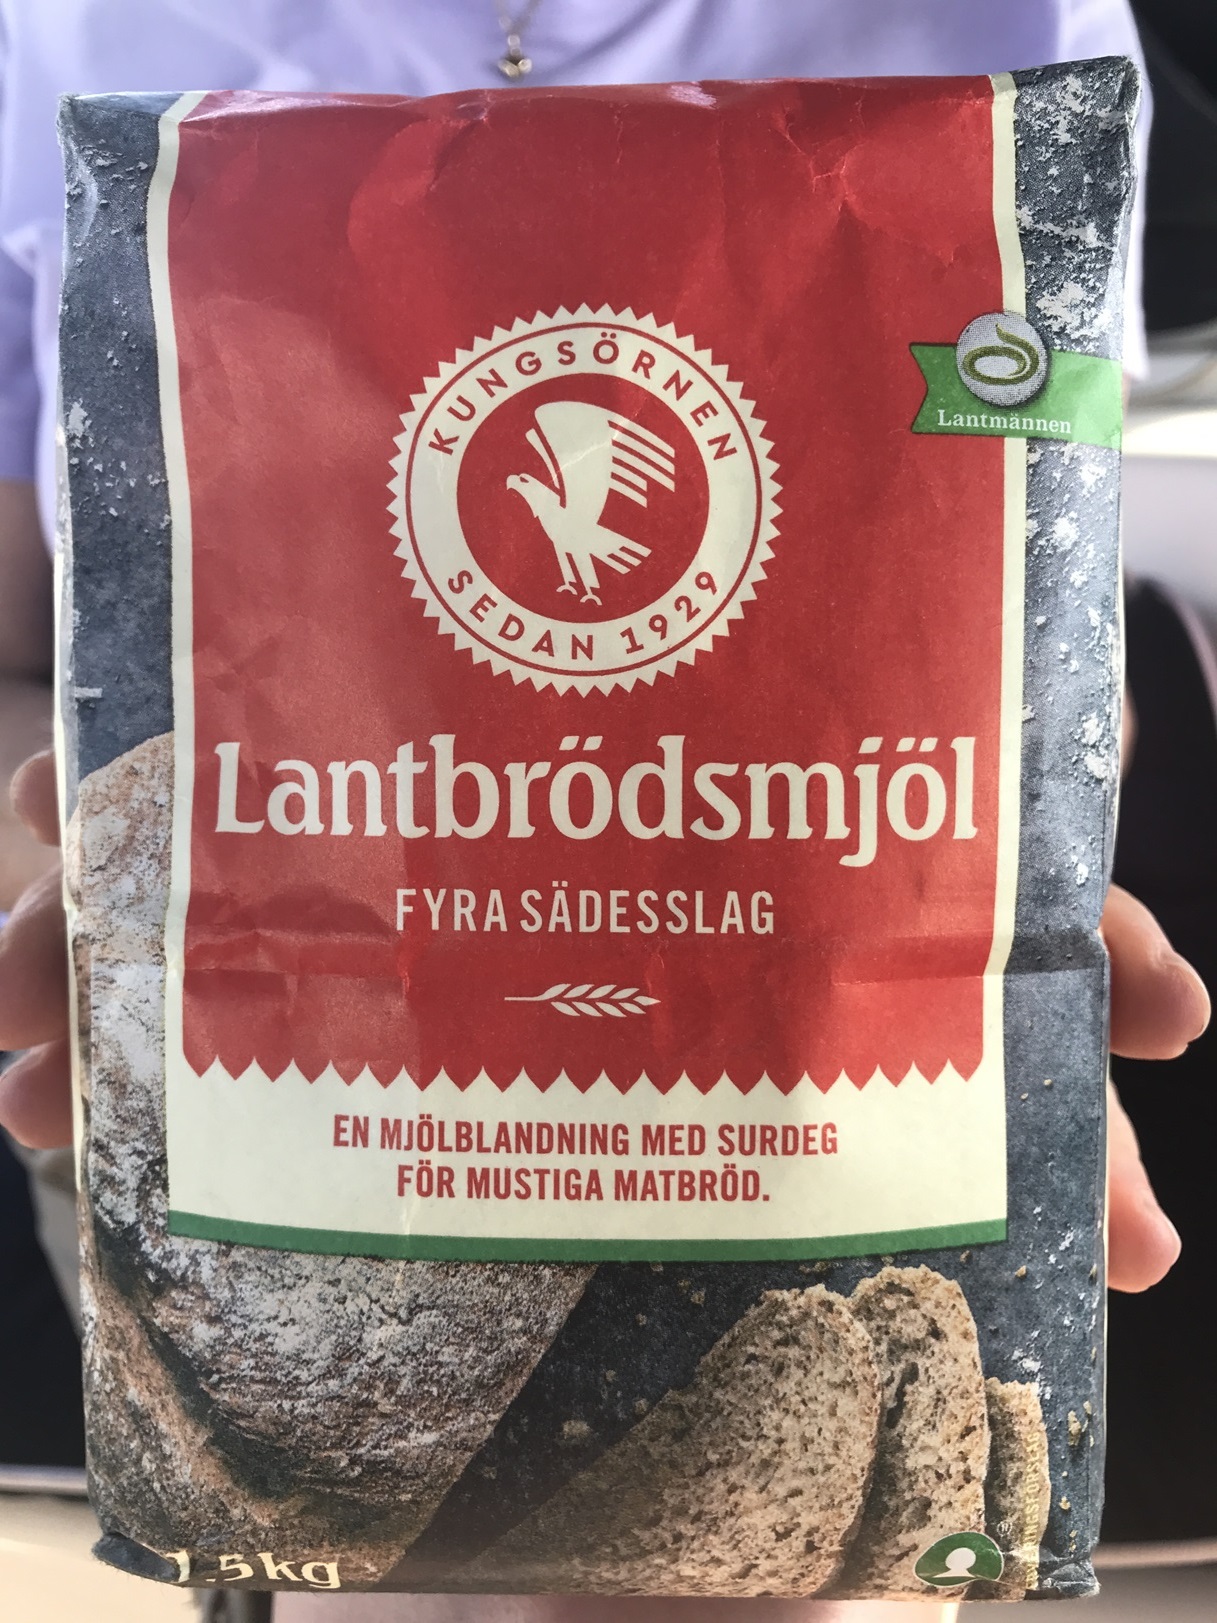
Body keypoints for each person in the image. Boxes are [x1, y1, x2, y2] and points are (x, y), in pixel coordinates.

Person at [0, 5, 1210, 1621]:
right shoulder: (65, 22)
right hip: (286, 1058)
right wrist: (113, 836)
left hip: (799, 1058)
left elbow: (1039, 593)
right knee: (335, 1540)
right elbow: (29, 618)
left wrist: (1010, 907)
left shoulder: (1017, 29)